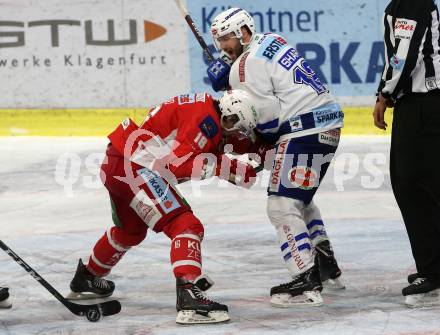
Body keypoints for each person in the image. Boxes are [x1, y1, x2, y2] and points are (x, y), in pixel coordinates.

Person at [66, 92, 257, 324]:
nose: (237, 133)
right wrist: (222, 167)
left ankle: (87, 277)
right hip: (135, 167)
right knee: (186, 225)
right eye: (237, 127)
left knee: (130, 232)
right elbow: (177, 167)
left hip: (118, 160)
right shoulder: (205, 121)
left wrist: (235, 164)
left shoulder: (206, 110)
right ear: (230, 116)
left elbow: (208, 148)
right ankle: (188, 293)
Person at [207, 8, 345, 307]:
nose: (222, 47)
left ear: (244, 32)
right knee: (299, 198)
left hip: (303, 129)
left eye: (227, 39)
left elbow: (267, 121)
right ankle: (325, 262)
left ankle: (305, 275)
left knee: (280, 205)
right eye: (218, 42)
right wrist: (233, 82)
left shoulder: (243, 66)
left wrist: (231, 88)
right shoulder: (271, 39)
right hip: (328, 123)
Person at [373, 0, 440, 307]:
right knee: (412, 185)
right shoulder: (402, 3)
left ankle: (434, 270)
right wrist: (384, 92)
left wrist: (385, 94)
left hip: (425, 105)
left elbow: (405, 55)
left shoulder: (413, 1)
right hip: (417, 105)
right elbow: (398, 57)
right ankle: (432, 267)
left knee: (416, 185)